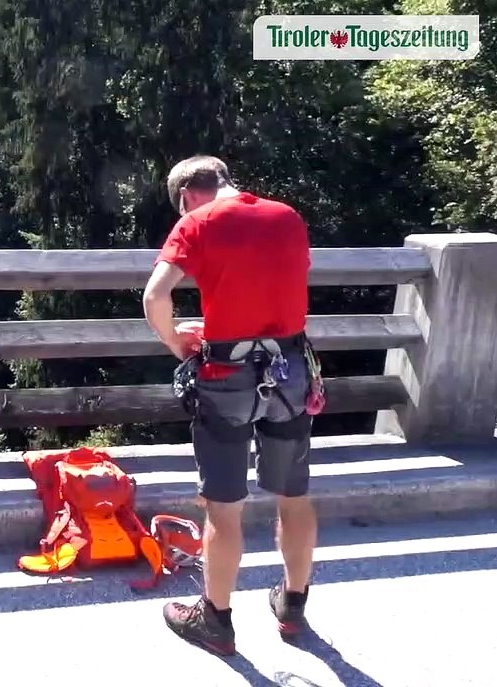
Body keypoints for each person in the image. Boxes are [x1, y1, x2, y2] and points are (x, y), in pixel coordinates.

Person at [142, 155, 317, 655]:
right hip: (290, 369)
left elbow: (155, 297)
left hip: (227, 374)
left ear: (185, 197)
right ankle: (293, 604)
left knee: (224, 504)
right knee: (294, 495)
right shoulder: (287, 216)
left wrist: (176, 341)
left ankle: (215, 620)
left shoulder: (197, 223)